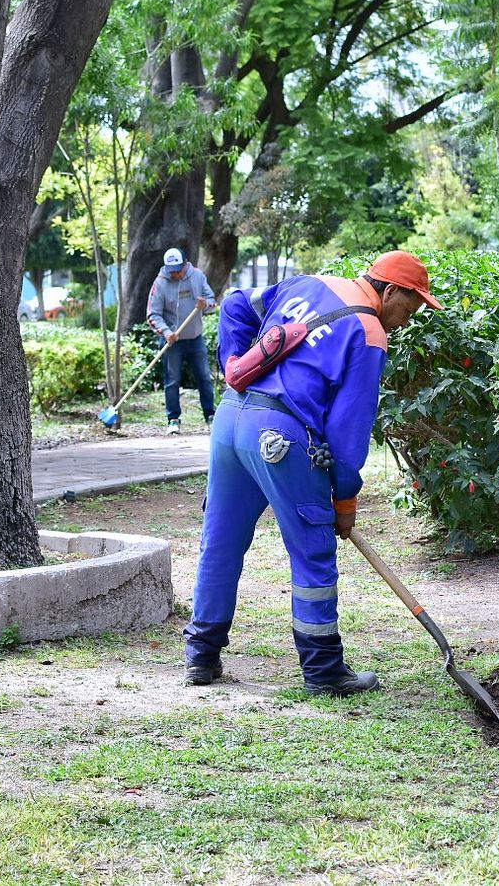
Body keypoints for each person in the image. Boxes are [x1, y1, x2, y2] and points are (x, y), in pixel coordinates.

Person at [184, 250, 441, 696]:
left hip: (230, 422)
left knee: (220, 542)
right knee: (313, 550)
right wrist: (344, 500)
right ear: (392, 290)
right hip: (280, 437)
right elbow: (348, 431)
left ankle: (200, 657)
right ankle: (323, 670)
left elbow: (235, 305)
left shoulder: (310, 283)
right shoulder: (369, 333)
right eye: (412, 305)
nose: (410, 317)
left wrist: (234, 364)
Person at [146, 247, 217, 435]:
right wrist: (166, 332)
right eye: (172, 270)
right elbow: (153, 314)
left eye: (179, 269)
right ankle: (173, 419)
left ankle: (210, 416)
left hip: (195, 339)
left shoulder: (198, 276)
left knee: (204, 378)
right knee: (172, 381)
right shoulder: (160, 283)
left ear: (186, 264)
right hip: (172, 342)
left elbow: (212, 302)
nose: (176, 273)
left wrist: (205, 305)